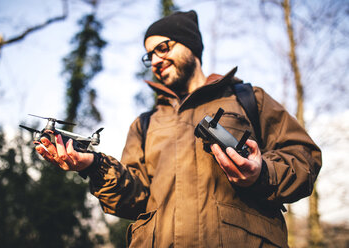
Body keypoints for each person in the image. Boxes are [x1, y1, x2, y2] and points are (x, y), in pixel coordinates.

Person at [35, 10, 322, 247]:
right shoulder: (144, 124)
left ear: (191, 46)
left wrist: (262, 174)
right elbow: (134, 200)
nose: (156, 61)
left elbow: (304, 159)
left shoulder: (248, 98)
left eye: (163, 48)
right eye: (150, 56)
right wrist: (93, 165)